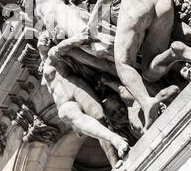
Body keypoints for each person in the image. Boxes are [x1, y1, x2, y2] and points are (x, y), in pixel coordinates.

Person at [86, 0, 191, 130]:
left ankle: (146, 101)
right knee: (150, 73)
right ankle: (175, 51)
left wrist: (92, 25)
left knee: (123, 63)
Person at [37, 31, 130, 159]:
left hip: (76, 87)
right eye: (41, 39)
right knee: (65, 114)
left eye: (44, 39)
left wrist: (75, 39)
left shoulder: (51, 56)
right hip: (63, 103)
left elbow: (59, 49)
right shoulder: (44, 72)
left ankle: (116, 149)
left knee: (99, 118)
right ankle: (115, 142)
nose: (41, 41)